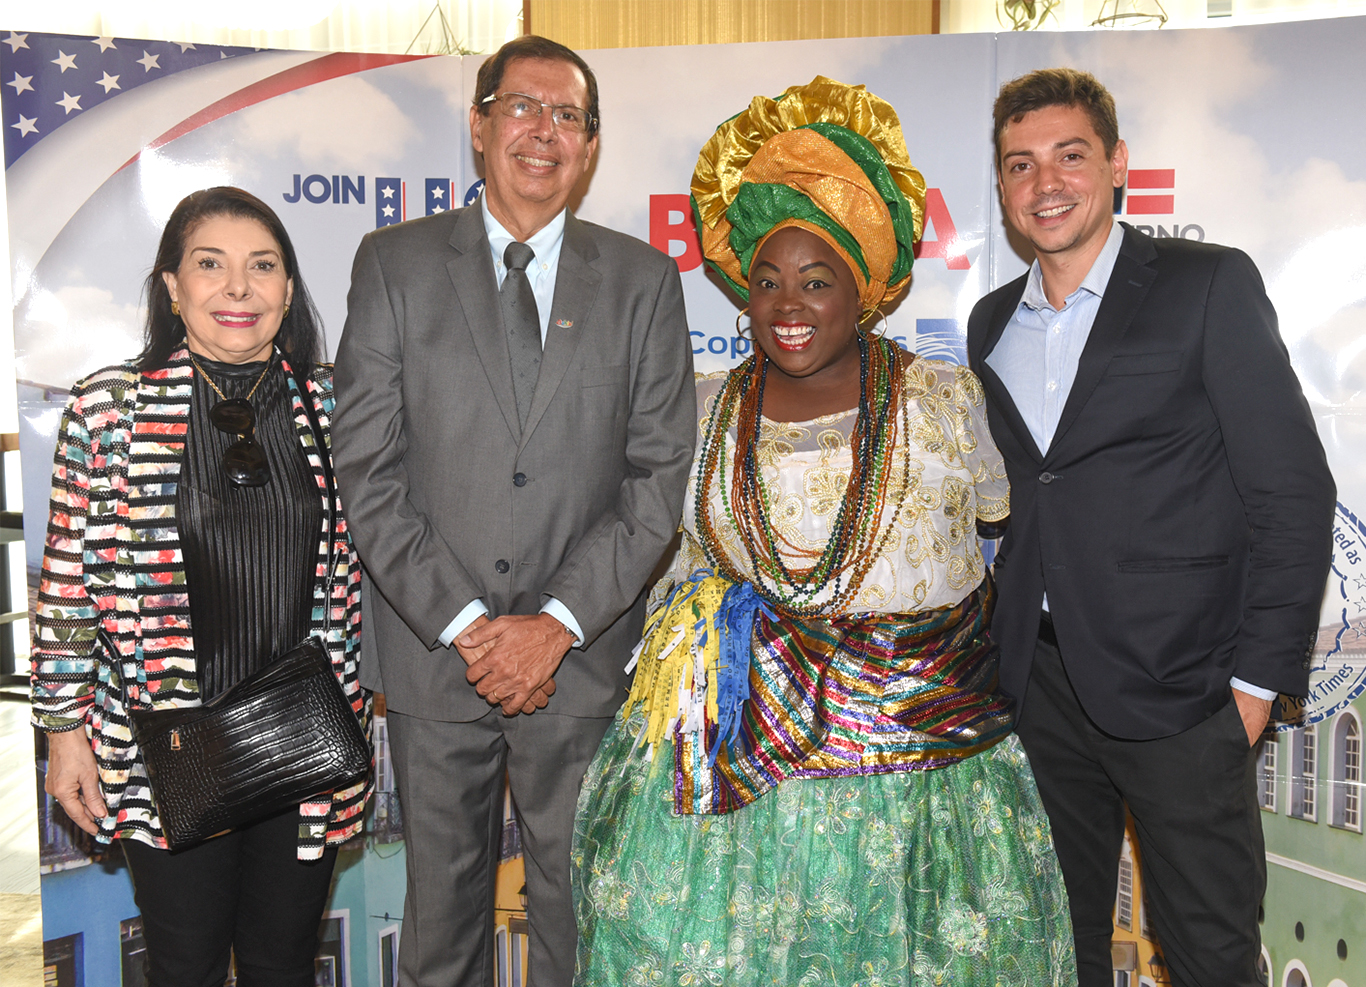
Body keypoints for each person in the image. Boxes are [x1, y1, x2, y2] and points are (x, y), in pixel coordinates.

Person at [572, 77, 1076, 987]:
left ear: (867, 289)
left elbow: (995, 529)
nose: (787, 303)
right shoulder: (697, 413)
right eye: (766, 280)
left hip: (921, 784)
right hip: (732, 790)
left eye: (816, 279)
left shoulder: (942, 400)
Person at [331, 34, 695, 987]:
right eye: (524, 108)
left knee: (581, 916)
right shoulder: (394, 264)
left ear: (592, 143)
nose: (545, 131)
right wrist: (469, 628)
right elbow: (367, 468)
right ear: (480, 125)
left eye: (568, 116)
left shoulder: (644, 283)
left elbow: (657, 481)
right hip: (433, 657)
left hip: (580, 659)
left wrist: (554, 626)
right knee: (442, 923)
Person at [966, 68, 1335, 986]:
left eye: (1070, 155)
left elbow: (1292, 493)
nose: (1045, 182)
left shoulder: (1207, 285)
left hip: (1185, 688)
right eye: (1020, 164)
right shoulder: (988, 323)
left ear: (1118, 164)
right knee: (1055, 949)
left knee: (1209, 956)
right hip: (1037, 687)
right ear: (1003, 187)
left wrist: (1255, 689)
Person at [31, 186, 368, 986]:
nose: (238, 288)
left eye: (263, 266)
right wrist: (63, 731)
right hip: (169, 747)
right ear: (172, 287)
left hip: (302, 740)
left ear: (288, 289)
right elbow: (68, 586)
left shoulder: (336, 403)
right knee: (181, 965)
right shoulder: (108, 408)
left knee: (283, 964)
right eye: (209, 265)